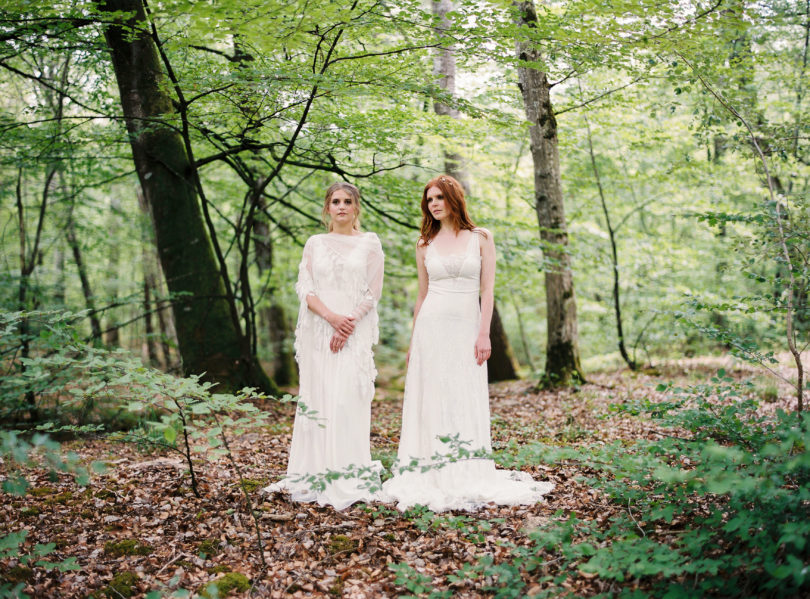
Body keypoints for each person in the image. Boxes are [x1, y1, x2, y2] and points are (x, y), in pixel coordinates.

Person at [383, 174, 554, 512]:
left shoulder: (481, 237)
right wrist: (413, 340)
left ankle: (466, 466)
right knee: (432, 396)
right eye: (429, 199)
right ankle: (431, 469)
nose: (433, 204)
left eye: (439, 198)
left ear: (453, 199)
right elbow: (421, 294)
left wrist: (483, 332)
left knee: (463, 393)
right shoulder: (423, 244)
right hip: (431, 327)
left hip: (466, 327)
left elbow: (487, 290)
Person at [263, 182, 385, 510]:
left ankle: (348, 471)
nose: (342, 206)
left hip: (353, 332)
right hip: (320, 331)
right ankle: (315, 471)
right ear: (327, 208)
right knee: (319, 397)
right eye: (335, 201)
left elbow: (373, 291)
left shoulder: (370, 243)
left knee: (346, 399)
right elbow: (306, 287)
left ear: (356, 207)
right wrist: (332, 318)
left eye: (348, 201)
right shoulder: (315, 243)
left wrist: (348, 323)